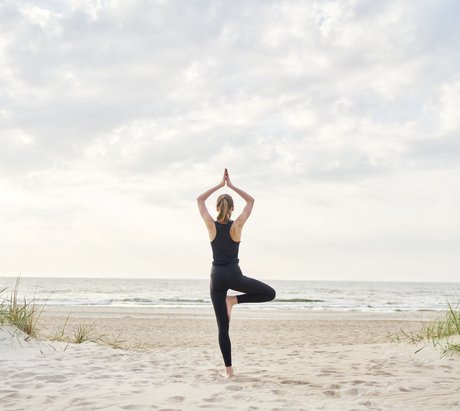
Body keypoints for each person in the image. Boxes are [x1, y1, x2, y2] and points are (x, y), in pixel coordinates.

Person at [196, 168, 276, 377]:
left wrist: (218, 185)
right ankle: (235, 301)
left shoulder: (210, 225)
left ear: (217, 207)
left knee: (223, 328)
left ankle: (229, 372)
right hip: (234, 275)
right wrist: (230, 185)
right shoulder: (237, 225)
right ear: (232, 208)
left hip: (216, 278)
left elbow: (199, 200)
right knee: (270, 293)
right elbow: (250, 202)